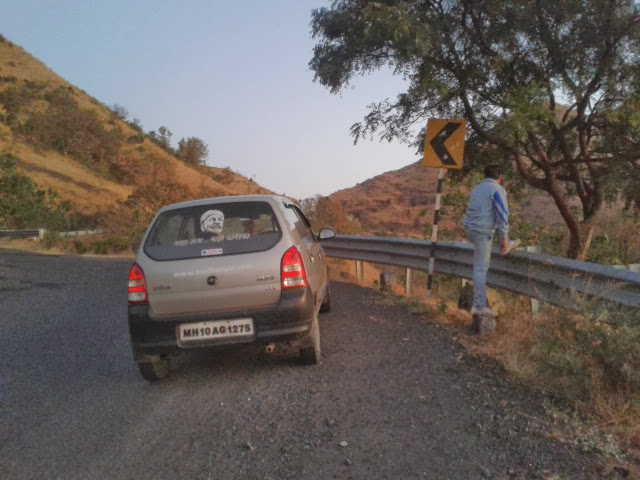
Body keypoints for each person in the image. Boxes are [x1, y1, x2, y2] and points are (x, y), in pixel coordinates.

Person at [463, 164, 520, 320]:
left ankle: (506, 244)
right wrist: (503, 238)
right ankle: (479, 306)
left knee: (480, 264)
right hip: (482, 231)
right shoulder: (497, 189)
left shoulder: (477, 189)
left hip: (470, 228)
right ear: (500, 178)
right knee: (481, 268)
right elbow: (502, 214)